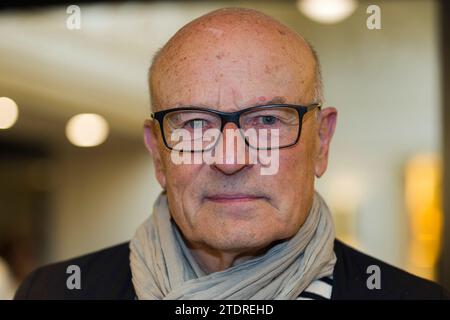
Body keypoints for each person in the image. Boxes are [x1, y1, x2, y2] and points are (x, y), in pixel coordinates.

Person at [14, 7, 449, 300]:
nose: (230, 158)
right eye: (195, 124)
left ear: (321, 143)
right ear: (158, 155)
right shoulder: (53, 292)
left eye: (266, 121)